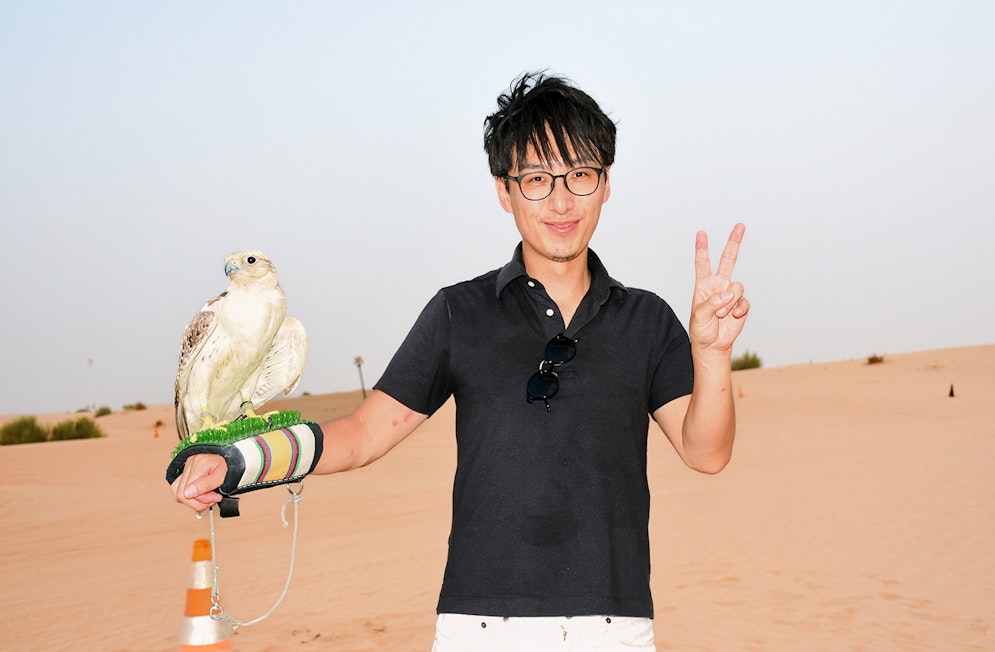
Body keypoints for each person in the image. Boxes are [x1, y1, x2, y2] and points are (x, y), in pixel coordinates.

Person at [171, 71, 749, 651]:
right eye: (536, 179)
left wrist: (712, 354)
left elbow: (707, 451)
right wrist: (242, 461)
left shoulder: (646, 320)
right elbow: (363, 435)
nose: (561, 199)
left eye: (580, 174)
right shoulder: (459, 313)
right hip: (478, 630)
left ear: (605, 184)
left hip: (615, 630)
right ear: (503, 190)